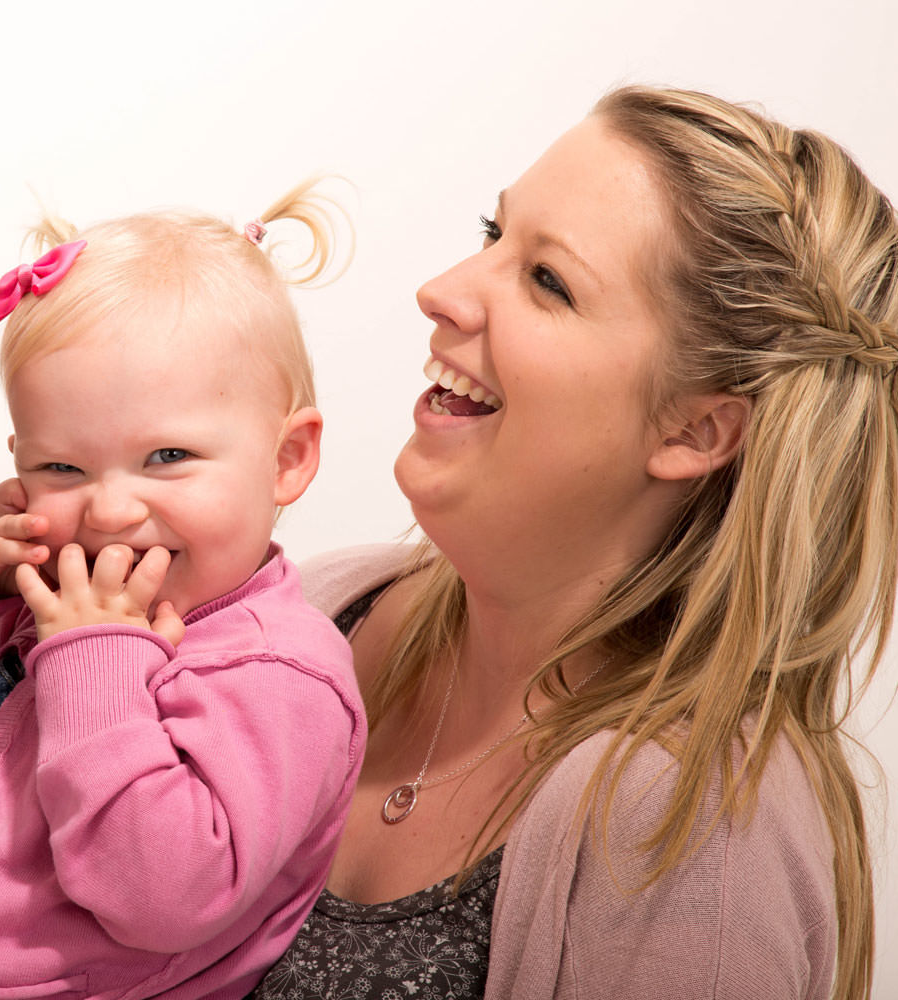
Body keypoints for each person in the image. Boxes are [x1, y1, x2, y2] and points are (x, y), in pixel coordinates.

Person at [253, 85, 891, 1000]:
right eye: (491, 234)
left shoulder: (690, 833)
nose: (441, 291)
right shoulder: (314, 609)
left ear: (695, 431)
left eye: (547, 281)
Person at [0, 187, 366, 998]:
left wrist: (93, 660)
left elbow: (165, 898)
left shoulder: (280, 671)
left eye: (168, 456)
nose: (111, 510)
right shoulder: (46, 599)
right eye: (63, 468)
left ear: (288, 458)